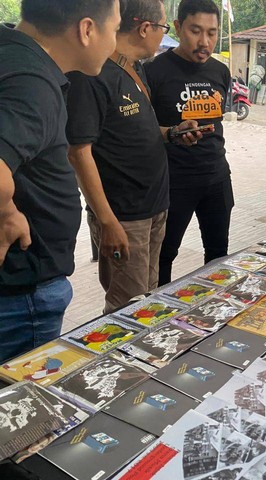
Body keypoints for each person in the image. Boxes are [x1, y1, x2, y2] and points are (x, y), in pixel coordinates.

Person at [0, 0, 120, 364]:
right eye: (114, 29)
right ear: (87, 30)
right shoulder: (33, 84)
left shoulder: (11, 53)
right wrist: (7, 213)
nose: (114, 42)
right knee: (23, 411)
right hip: (22, 299)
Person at [65, 0, 201, 313]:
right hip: (125, 218)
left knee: (147, 301)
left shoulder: (133, 67)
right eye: (164, 28)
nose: (164, 36)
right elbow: (78, 153)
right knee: (125, 310)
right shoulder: (92, 75)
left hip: (155, 207)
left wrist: (173, 132)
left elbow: (138, 129)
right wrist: (108, 221)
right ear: (144, 29)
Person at [144, 0, 234, 286]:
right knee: (164, 256)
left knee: (219, 255)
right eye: (196, 31)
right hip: (174, 182)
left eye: (212, 32)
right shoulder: (154, 72)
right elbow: (144, 129)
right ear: (178, 27)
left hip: (217, 179)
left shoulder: (220, 72)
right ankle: (159, 320)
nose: (204, 41)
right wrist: (172, 132)